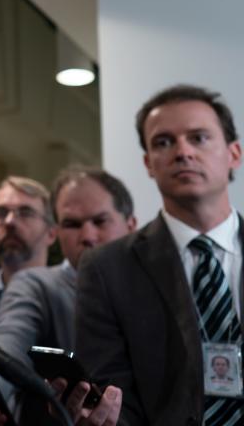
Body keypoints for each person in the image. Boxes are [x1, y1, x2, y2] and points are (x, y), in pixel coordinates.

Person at [76, 84, 244, 425]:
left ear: (233, 154)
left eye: (198, 138)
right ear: (148, 163)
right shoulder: (107, 268)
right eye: (163, 142)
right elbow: (112, 394)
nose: (183, 152)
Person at [0, 166, 134, 425]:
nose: (87, 236)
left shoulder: (157, 287)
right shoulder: (37, 285)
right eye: (72, 224)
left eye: (100, 221)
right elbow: (6, 344)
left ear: (131, 225)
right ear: (57, 232)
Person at [0, 176, 57, 325]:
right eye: (1, 212)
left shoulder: (71, 298)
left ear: (51, 233)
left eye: (25, 212)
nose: (9, 221)